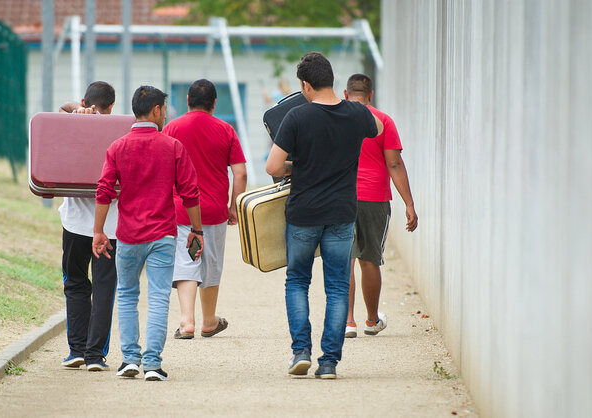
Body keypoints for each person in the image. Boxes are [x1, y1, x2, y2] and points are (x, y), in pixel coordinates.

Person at [265, 52, 382, 380]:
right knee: (336, 285)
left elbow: (273, 167)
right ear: (332, 80)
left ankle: (301, 351)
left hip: (303, 213)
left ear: (305, 85)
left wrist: (296, 166)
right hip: (342, 213)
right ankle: (329, 361)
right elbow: (379, 126)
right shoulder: (356, 113)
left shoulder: (297, 117)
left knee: (298, 281)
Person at [93, 85, 204, 382]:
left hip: (128, 236)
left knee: (127, 296)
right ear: (156, 110)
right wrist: (196, 230)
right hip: (163, 237)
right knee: (157, 298)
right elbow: (190, 193)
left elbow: (104, 191)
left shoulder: (117, 147)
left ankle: (130, 359)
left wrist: (98, 231)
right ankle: (152, 364)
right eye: (165, 109)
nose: (166, 115)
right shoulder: (172, 146)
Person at [162, 79, 247, 340]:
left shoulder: (171, 128)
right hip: (213, 211)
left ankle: (187, 321)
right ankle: (209, 321)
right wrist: (235, 206)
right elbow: (240, 173)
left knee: (186, 261)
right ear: (214, 103)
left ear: (187, 101)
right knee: (210, 262)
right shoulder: (225, 129)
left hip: (180, 210)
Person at [342, 74, 418, 338]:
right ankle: (372, 320)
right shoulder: (383, 121)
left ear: (345, 93)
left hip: (341, 197)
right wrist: (409, 203)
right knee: (369, 260)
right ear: (371, 95)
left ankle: (347, 322)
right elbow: (394, 164)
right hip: (374, 198)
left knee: (345, 260)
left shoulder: (337, 118)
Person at [57, 81, 119, 372]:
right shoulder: (120, 131)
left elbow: (62, 108)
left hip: (73, 224)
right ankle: (96, 355)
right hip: (110, 227)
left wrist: (77, 109)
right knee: (104, 287)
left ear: (86, 101)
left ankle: (76, 351)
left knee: (75, 284)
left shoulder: (72, 123)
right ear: (112, 107)